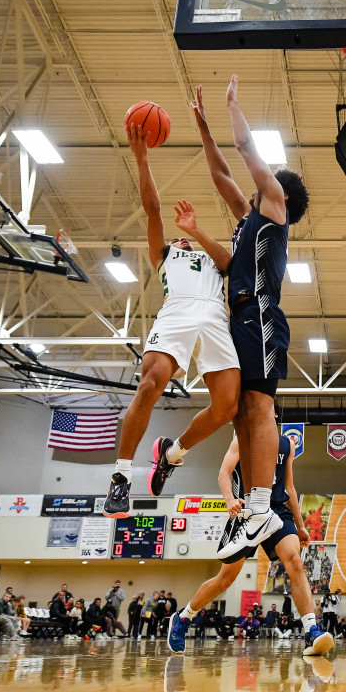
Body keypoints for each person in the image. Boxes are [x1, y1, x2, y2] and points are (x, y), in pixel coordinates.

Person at [190, 79, 310, 556]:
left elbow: (242, 148)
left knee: (258, 408)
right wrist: (202, 126)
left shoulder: (274, 208)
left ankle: (260, 508)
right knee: (240, 408)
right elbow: (221, 176)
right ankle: (256, 507)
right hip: (237, 316)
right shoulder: (246, 220)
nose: (256, 187)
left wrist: (232, 106)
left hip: (260, 314)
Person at [103, 124, 242, 518]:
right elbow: (153, 209)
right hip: (178, 311)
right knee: (150, 384)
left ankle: (172, 452)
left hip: (215, 317)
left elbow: (230, 263)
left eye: (185, 240)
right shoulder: (165, 257)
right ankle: (121, 479)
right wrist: (142, 158)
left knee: (227, 407)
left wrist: (195, 230)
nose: (180, 240)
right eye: (178, 238)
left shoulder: (210, 257)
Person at [167, 432, 334, 657]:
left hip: (277, 510)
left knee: (294, 560)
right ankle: (183, 617)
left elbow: (290, 487)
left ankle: (311, 631)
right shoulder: (241, 439)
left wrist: (300, 524)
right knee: (225, 579)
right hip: (246, 511)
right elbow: (224, 473)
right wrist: (229, 500)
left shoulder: (287, 444)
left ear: (272, 412)